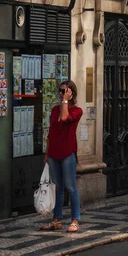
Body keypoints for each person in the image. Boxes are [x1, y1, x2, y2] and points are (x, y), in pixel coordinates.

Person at [40, 80, 83, 233]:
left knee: (71, 187)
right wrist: (47, 153)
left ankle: (75, 219)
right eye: (60, 91)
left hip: (67, 153)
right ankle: (56, 219)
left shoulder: (77, 111)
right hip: (54, 153)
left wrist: (65, 101)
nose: (61, 94)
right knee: (57, 187)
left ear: (71, 93)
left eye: (64, 91)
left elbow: (65, 118)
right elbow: (50, 132)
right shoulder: (54, 110)